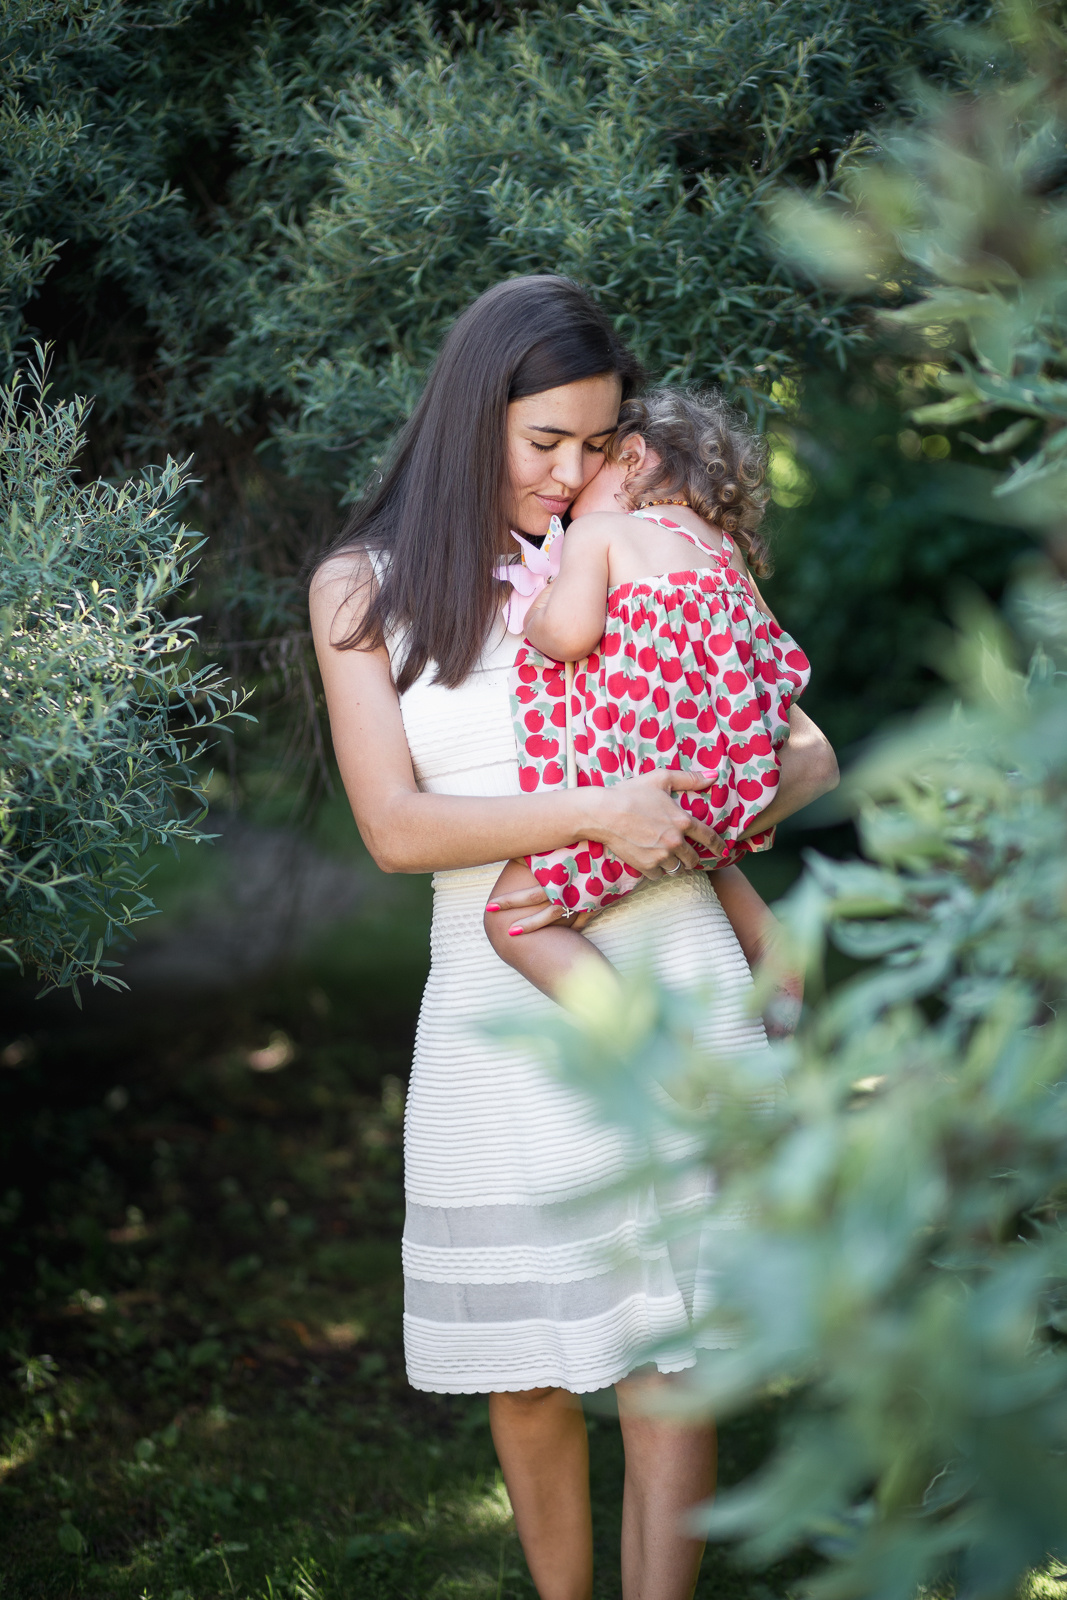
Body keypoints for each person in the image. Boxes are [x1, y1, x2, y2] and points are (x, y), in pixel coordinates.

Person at [309, 275, 839, 1600]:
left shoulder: (638, 541)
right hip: (497, 1001)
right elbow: (395, 826)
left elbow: (807, 748)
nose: (571, 472)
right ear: (466, 418)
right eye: (543, 442)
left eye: (598, 443)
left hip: (671, 974)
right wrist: (601, 805)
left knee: (675, 1361)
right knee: (528, 1370)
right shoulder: (361, 591)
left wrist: (700, 813)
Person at [483, 388, 810, 1010]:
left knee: (511, 920)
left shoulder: (604, 533)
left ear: (631, 458)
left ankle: (654, 1053)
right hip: (735, 776)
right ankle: (769, 944)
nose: (571, 499)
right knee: (705, 856)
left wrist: (538, 612)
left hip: (638, 783)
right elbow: (776, 658)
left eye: (590, 473)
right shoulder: (724, 552)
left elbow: (571, 636)